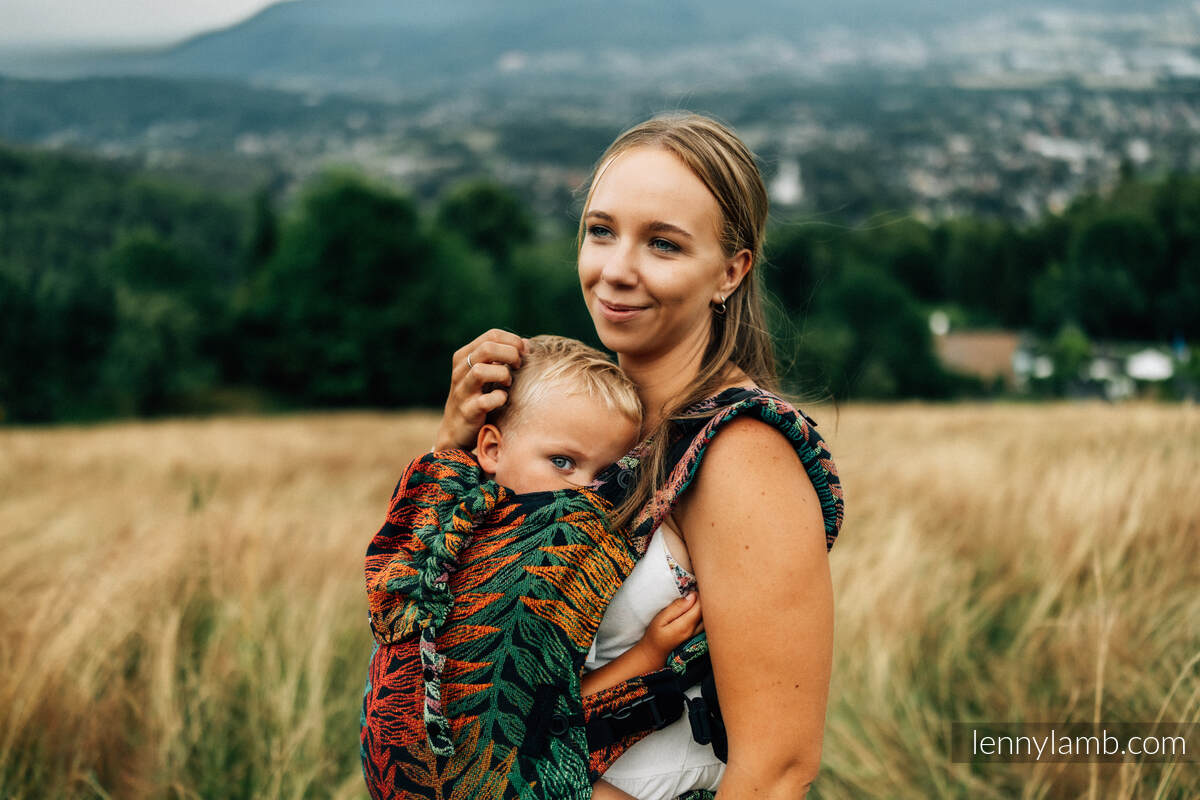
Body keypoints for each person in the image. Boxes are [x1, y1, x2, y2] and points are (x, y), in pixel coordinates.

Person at [435, 113, 844, 799]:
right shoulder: (582, 431)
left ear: (730, 272)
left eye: (663, 244)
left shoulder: (742, 450)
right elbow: (443, 631)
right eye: (601, 231)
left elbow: (777, 771)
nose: (615, 270)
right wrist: (454, 452)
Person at [361, 335, 705, 800]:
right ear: (491, 449)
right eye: (562, 462)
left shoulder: (563, 564)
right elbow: (546, 718)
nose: (583, 491)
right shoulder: (485, 539)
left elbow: (545, 704)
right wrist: (650, 654)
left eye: (604, 478)